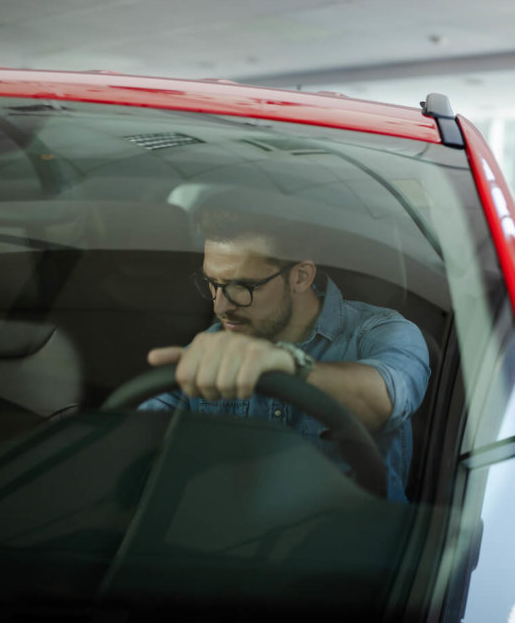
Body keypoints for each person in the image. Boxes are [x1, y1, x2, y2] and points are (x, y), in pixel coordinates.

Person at [141, 207, 431, 503]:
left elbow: (386, 399)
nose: (220, 307)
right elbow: (137, 446)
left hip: (349, 541)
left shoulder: (381, 333)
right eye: (213, 284)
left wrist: (292, 366)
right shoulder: (208, 351)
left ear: (301, 277)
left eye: (241, 286)